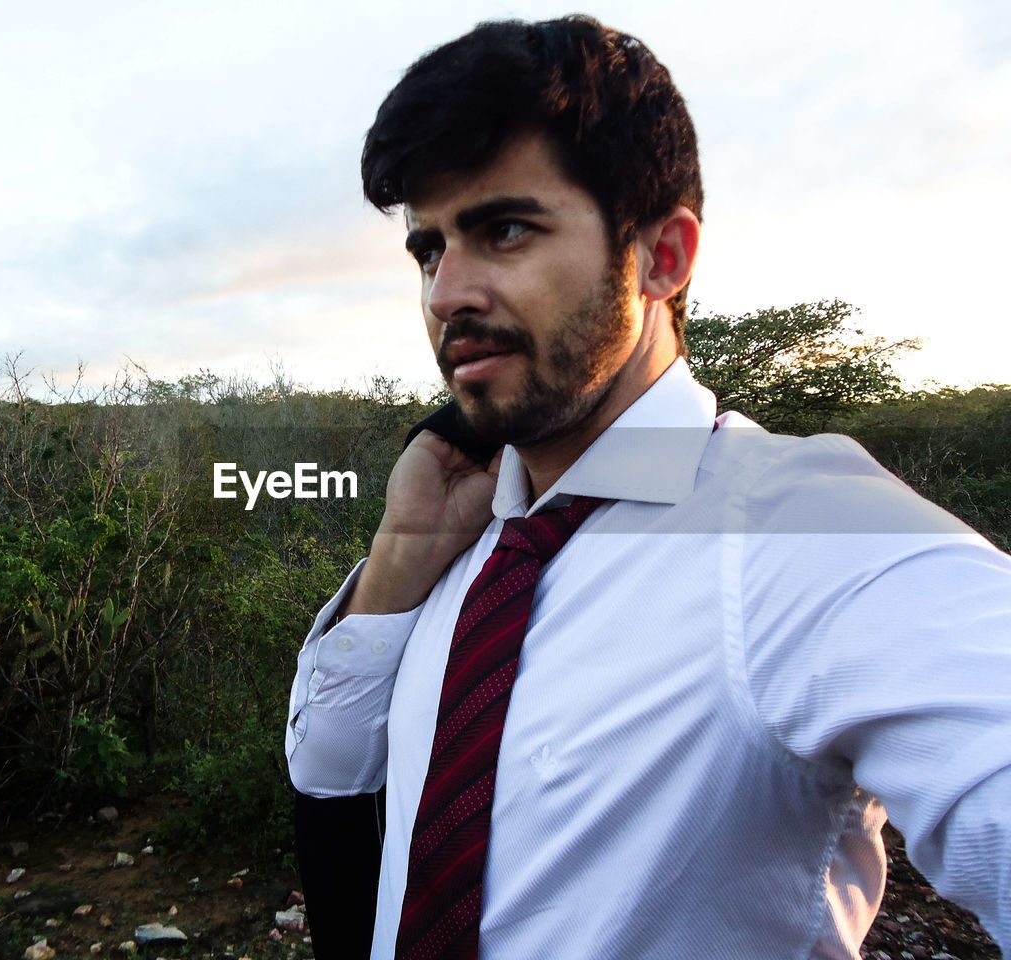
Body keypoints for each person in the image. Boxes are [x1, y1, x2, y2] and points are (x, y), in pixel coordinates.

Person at [285, 15, 1011, 959]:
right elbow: (332, 766)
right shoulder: (471, 539)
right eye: (429, 249)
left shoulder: (803, 531)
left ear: (660, 258)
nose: (445, 294)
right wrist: (400, 562)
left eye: (504, 229)